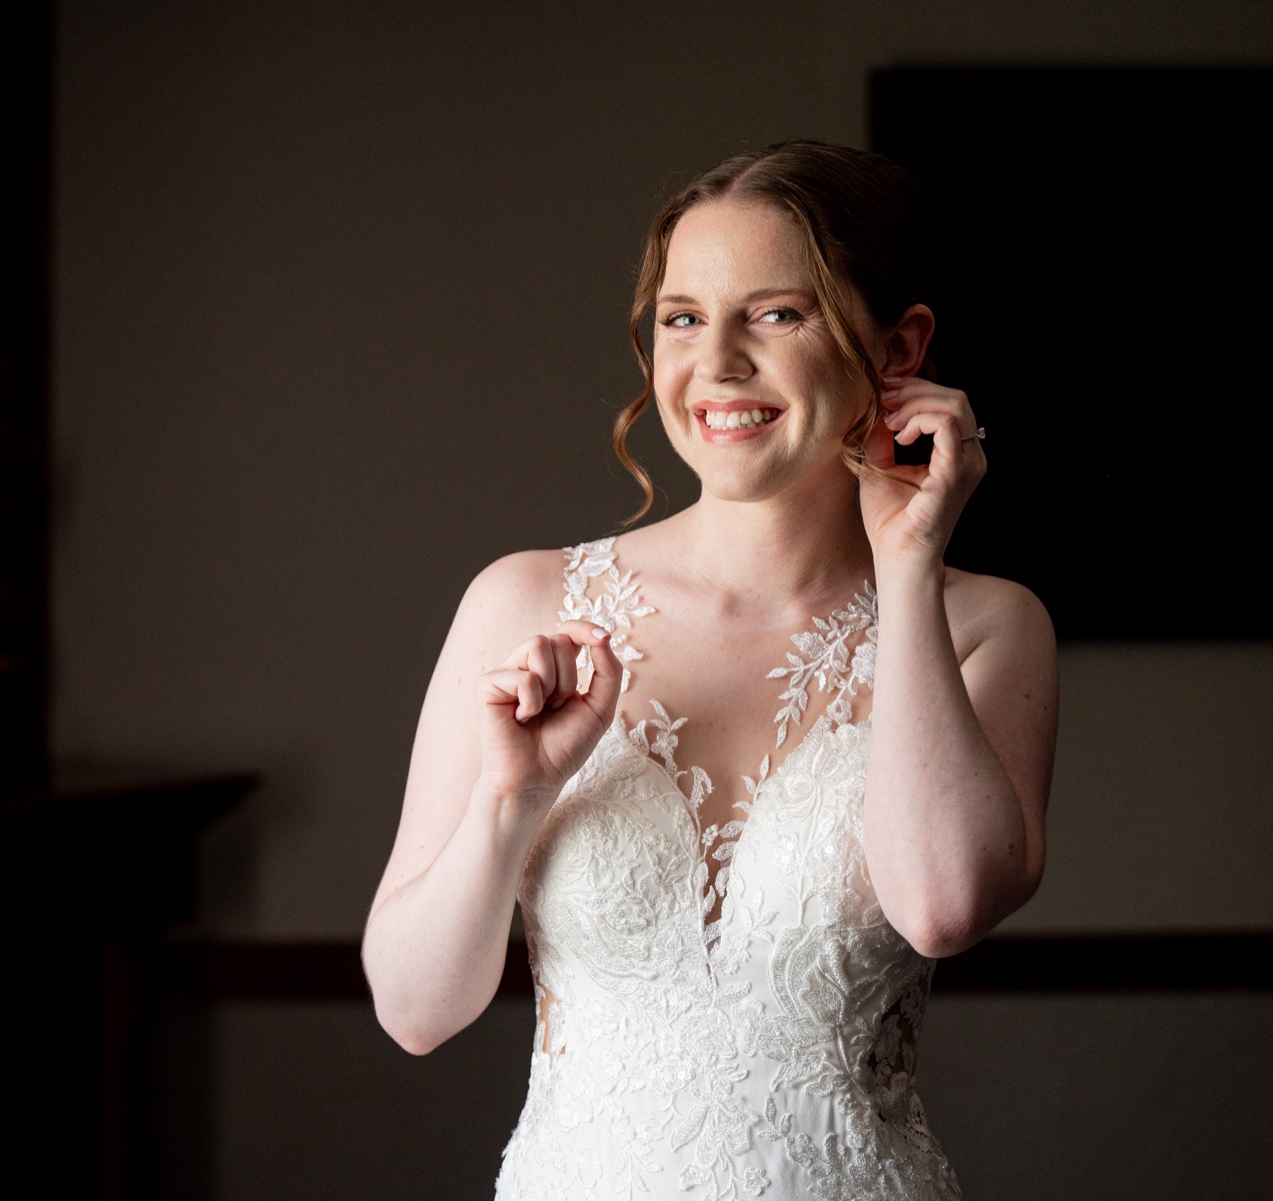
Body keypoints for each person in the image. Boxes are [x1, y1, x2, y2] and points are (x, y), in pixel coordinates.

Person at [360, 141, 1058, 1200]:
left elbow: (943, 905)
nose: (719, 362)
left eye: (778, 314)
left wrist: (908, 571)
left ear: (900, 347)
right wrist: (514, 796)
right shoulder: (525, 602)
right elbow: (414, 1010)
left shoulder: (988, 624)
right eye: (684, 317)